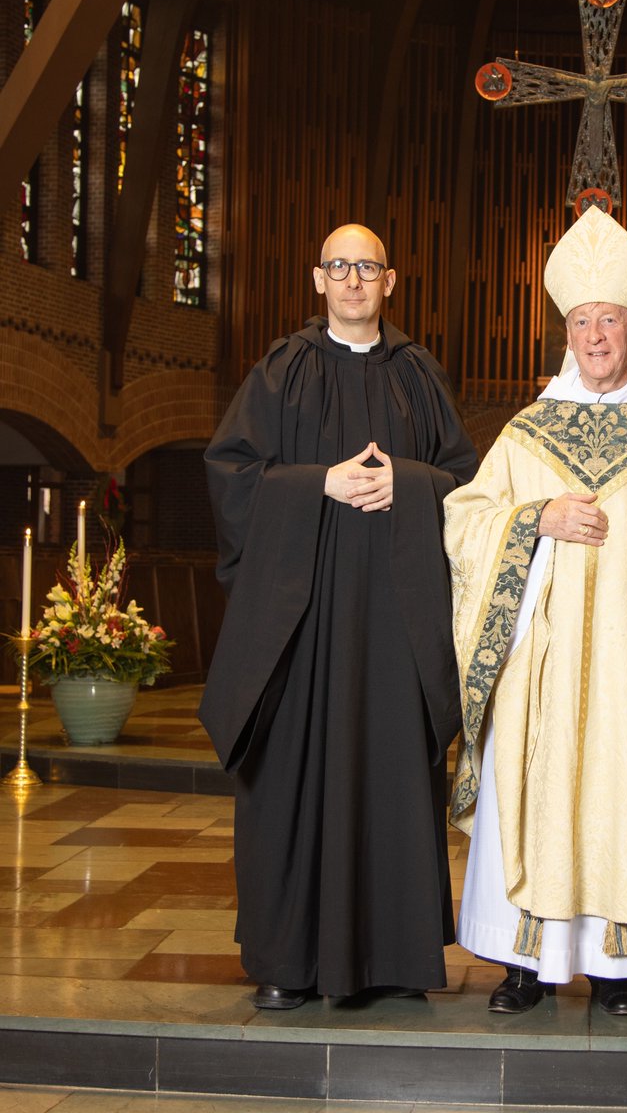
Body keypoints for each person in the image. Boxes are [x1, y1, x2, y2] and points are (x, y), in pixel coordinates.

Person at [443, 206, 627, 1016]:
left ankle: (619, 965)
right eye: (581, 321)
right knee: (528, 790)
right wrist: (532, 520)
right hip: (535, 669)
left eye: (610, 320)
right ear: (566, 334)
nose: (596, 335)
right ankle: (520, 961)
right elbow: (465, 521)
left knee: (622, 781)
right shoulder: (525, 433)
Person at [200, 223, 478, 1010]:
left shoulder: (420, 376)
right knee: (290, 775)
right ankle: (289, 960)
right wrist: (316, 485)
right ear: (318, 278)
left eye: (368, 268)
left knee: (394, 775)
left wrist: (412, 485)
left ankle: (395, 956)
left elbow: (467, 481)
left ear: (390, 282)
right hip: (302, 621)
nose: (354, 280)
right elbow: (229, 471)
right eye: (339, 267)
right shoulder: (281, 370)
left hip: (395, 624)